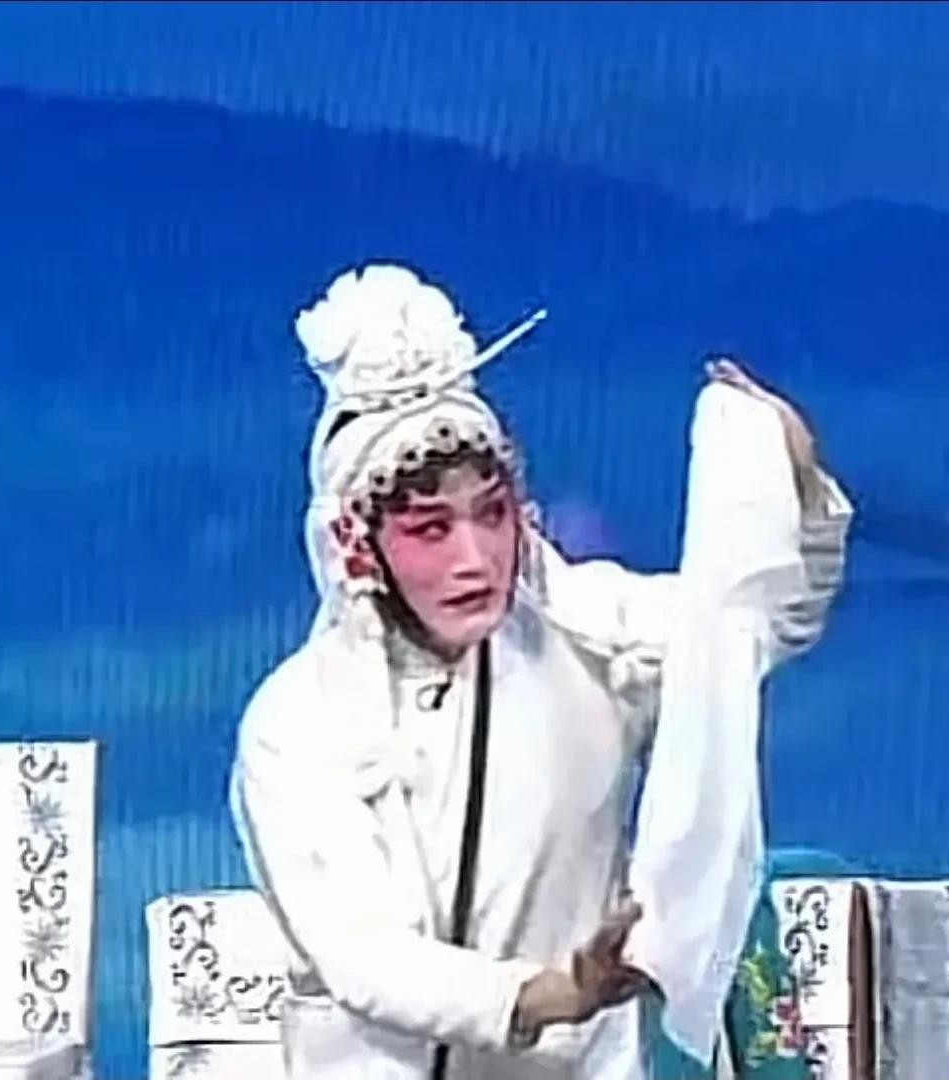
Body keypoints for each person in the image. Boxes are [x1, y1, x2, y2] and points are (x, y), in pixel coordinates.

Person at [229, 263, 852, 1079]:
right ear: (359, 546)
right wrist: (555, 992)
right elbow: (366, 957)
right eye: (429, 530)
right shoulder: (300, 723)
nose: (473, 558)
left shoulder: (593, 637)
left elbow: (754, 630)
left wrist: (788, 482)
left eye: (490, 515)